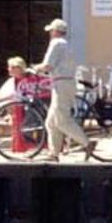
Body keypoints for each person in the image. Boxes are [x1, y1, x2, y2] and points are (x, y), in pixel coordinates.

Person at [35, 18, 86, 159]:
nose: (50, 33)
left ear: (56, 31)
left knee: (62, 120)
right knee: (51, 122)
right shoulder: (67, 44)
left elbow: (48, 65)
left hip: (62, 84)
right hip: (66, 83)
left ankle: (86, 143)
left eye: (51, 30)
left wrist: (35, 68)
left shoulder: (56, 44)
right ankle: (53, 153)